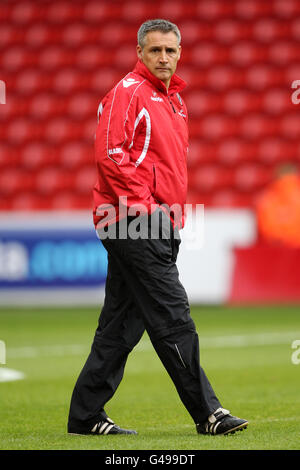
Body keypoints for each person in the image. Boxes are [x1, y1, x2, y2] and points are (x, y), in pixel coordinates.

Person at [67, 19, 248, 437]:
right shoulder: (127, 94)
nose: (163, 57)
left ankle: (85, 415)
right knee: (173, 316)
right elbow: (111, 156)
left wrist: (167, 216)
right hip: (132, 221)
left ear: (180, 52)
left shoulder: (174, 101)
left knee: (121, 325)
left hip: (153, 222)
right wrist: (149, 211)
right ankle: (209, 413)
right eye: (154, 51)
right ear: (140, 52)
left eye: (170, 50)